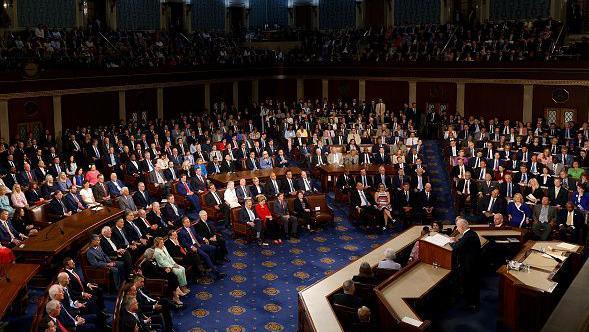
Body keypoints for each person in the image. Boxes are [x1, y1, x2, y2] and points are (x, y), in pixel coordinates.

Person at [449, 218, 481, 311]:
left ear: (462, 227)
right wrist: (456, 241)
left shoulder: (468, 236)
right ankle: (471, 302)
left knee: (469, 284)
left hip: (470, 265)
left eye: (457, 227)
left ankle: (471, 304)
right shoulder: (470, 233)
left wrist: (452, 242)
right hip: (472, 264)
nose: (457, 229)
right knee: (470, 284)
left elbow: (457, 248)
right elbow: (463, 243)